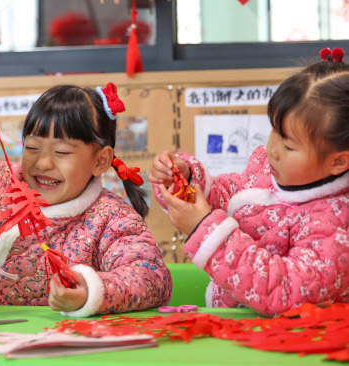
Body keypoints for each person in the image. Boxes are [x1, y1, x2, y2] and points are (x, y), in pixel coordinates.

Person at [0, 83, 171, 317]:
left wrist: (90, 289)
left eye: (62, 151)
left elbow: (151, 276)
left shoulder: (111, 218)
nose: (43, 163)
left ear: (100, 160)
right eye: (32, 148)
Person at [149, 48, 349, 316]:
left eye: (289, 145)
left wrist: (203, 228)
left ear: (338, 161)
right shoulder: (269, 168)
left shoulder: (337, 223)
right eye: (275, 132)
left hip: (287, 343)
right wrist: (184, 179)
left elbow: (286, 290)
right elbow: (228, 196)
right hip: (236, 323)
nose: (274, 149)